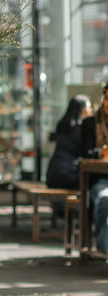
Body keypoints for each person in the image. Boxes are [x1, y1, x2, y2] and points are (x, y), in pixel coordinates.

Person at [81, 83, 108, 255]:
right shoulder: (90, 124)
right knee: (105, 198)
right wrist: (101, 152)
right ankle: (103, 248)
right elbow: (84, 152)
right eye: (107, 98)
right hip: (100, 178)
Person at [46, 95, 93, 189]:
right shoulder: (81, 129)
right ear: (82, 110)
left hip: (52, 176)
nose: (91, 110)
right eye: (89, 107)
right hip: (67, 177)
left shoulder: (64, 126)